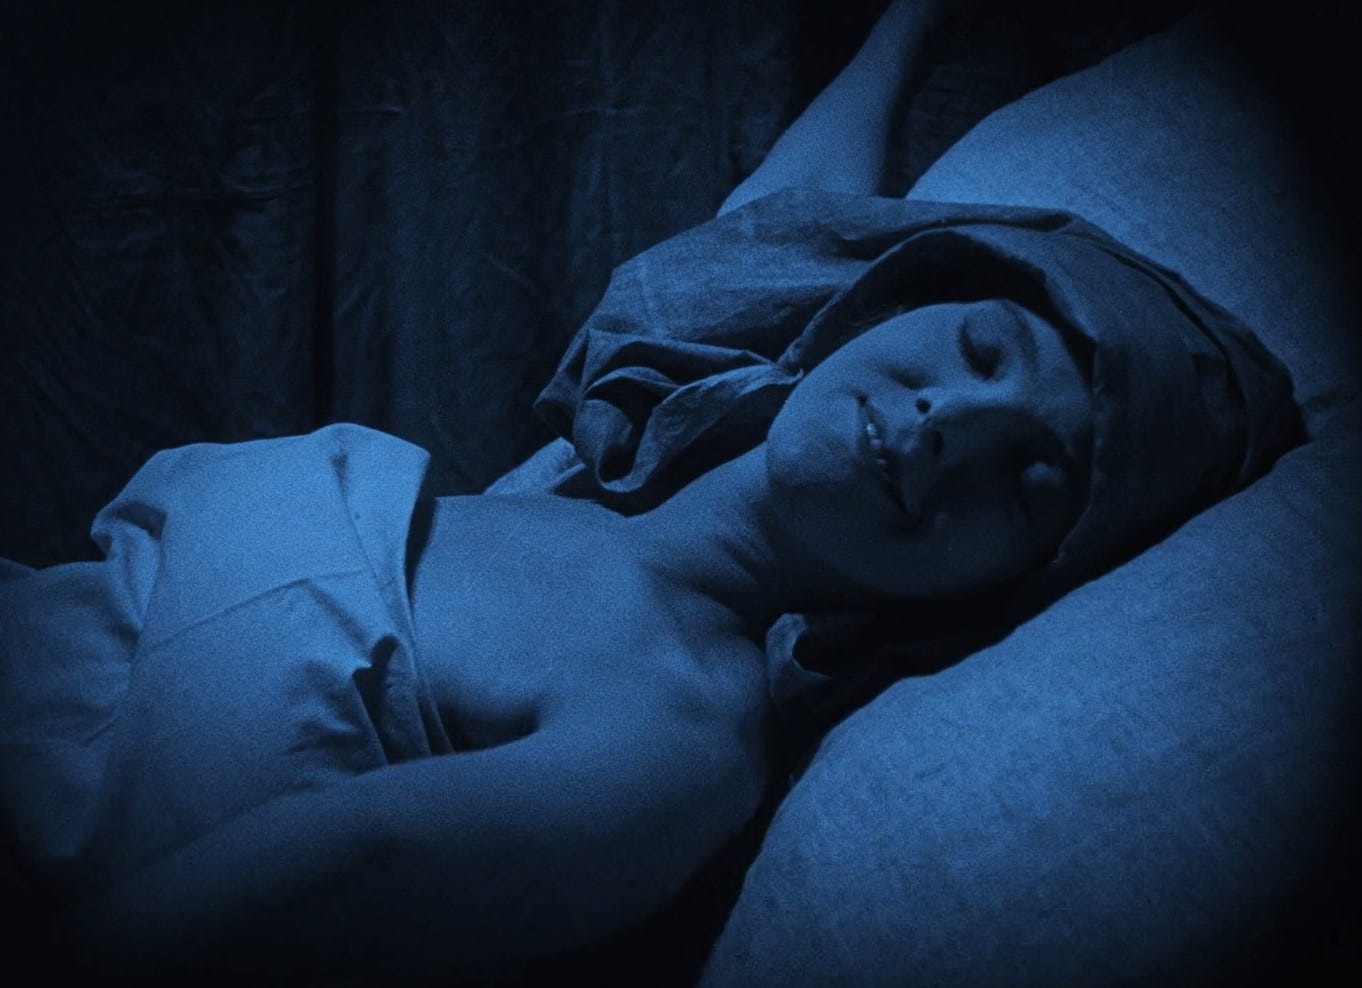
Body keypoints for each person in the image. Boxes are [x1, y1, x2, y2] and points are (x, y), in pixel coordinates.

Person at [0, 2, 1299, 982]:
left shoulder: (675, 738)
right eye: (978, 348)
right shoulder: (590, 474)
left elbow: (325, 878)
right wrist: (912, 23)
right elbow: (794, 210)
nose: (948, 426)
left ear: (1000, 588)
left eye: (1026, 480)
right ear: (887, 305)